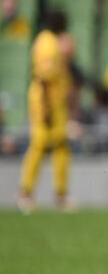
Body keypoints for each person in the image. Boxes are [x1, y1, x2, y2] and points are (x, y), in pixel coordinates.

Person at [18, 11, 74, 213]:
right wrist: (45, 107)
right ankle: (25, 193)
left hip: (56, 101)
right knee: (40, 144)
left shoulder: (56, 42)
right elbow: (43, 78)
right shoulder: (46, 42)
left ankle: (61, 195)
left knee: (60, 145)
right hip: (45, 101)